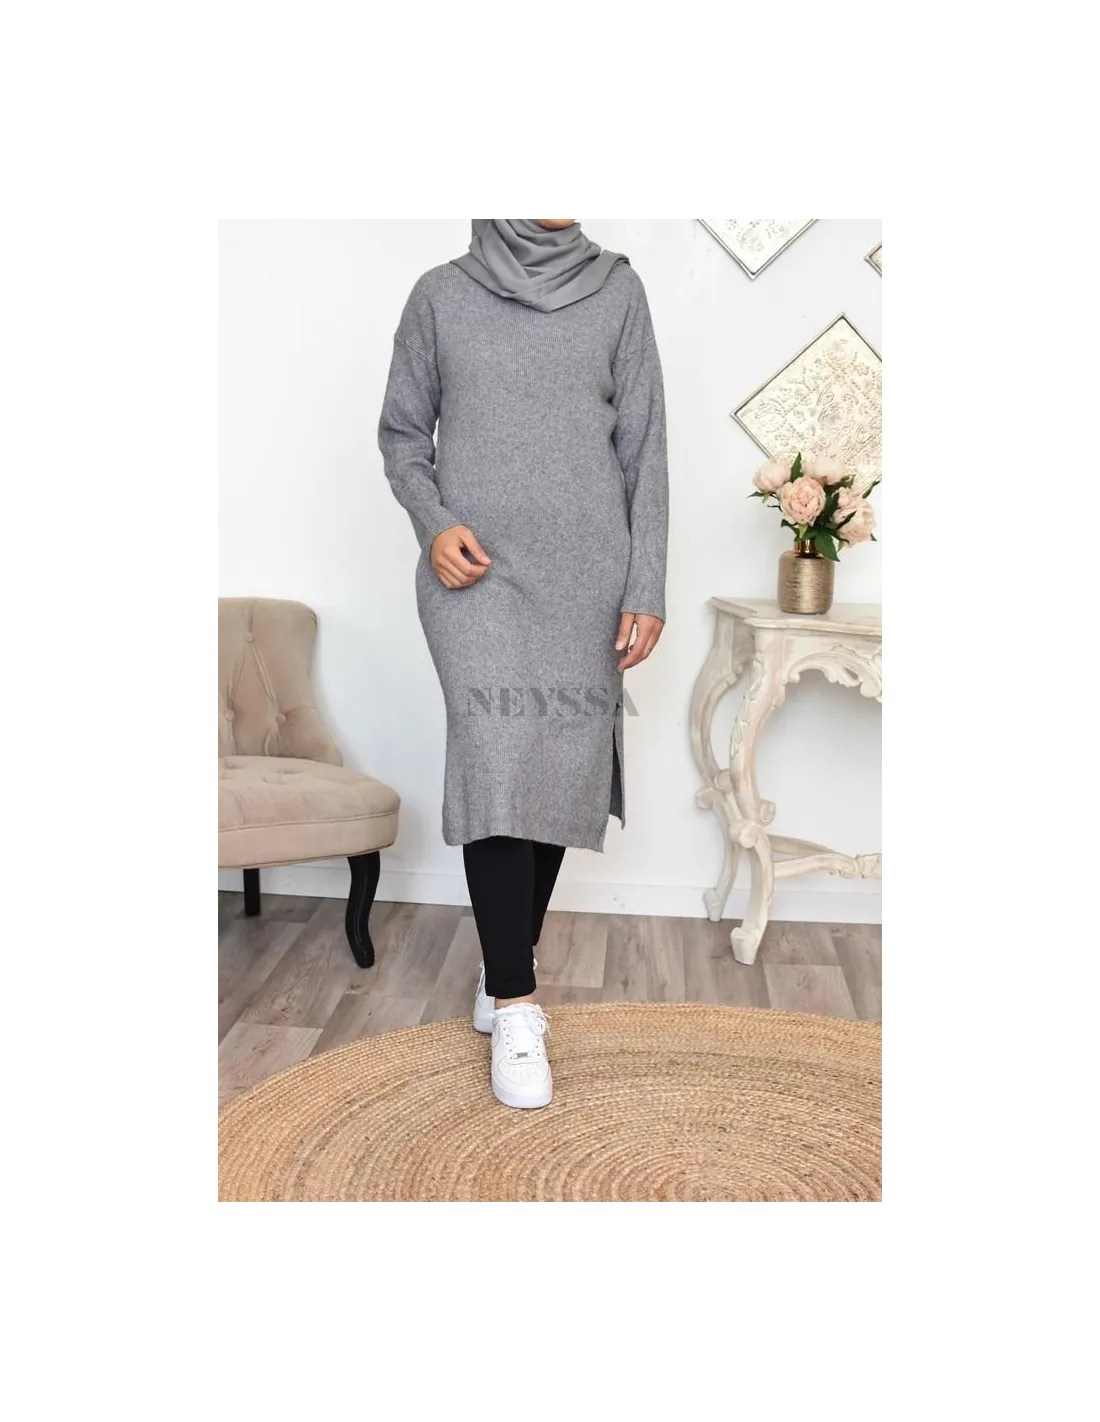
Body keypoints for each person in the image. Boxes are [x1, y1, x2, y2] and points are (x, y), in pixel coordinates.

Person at [379, 216, 668, 1109]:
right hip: (476, 577)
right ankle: (515, 1004)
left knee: (556, 768)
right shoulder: (440, 295)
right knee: (498, 760)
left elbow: (646, 448)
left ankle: (504, 962)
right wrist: (434, 526)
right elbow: (402, 435)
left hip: (589, 578)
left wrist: (646, 584)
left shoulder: (618, 291)